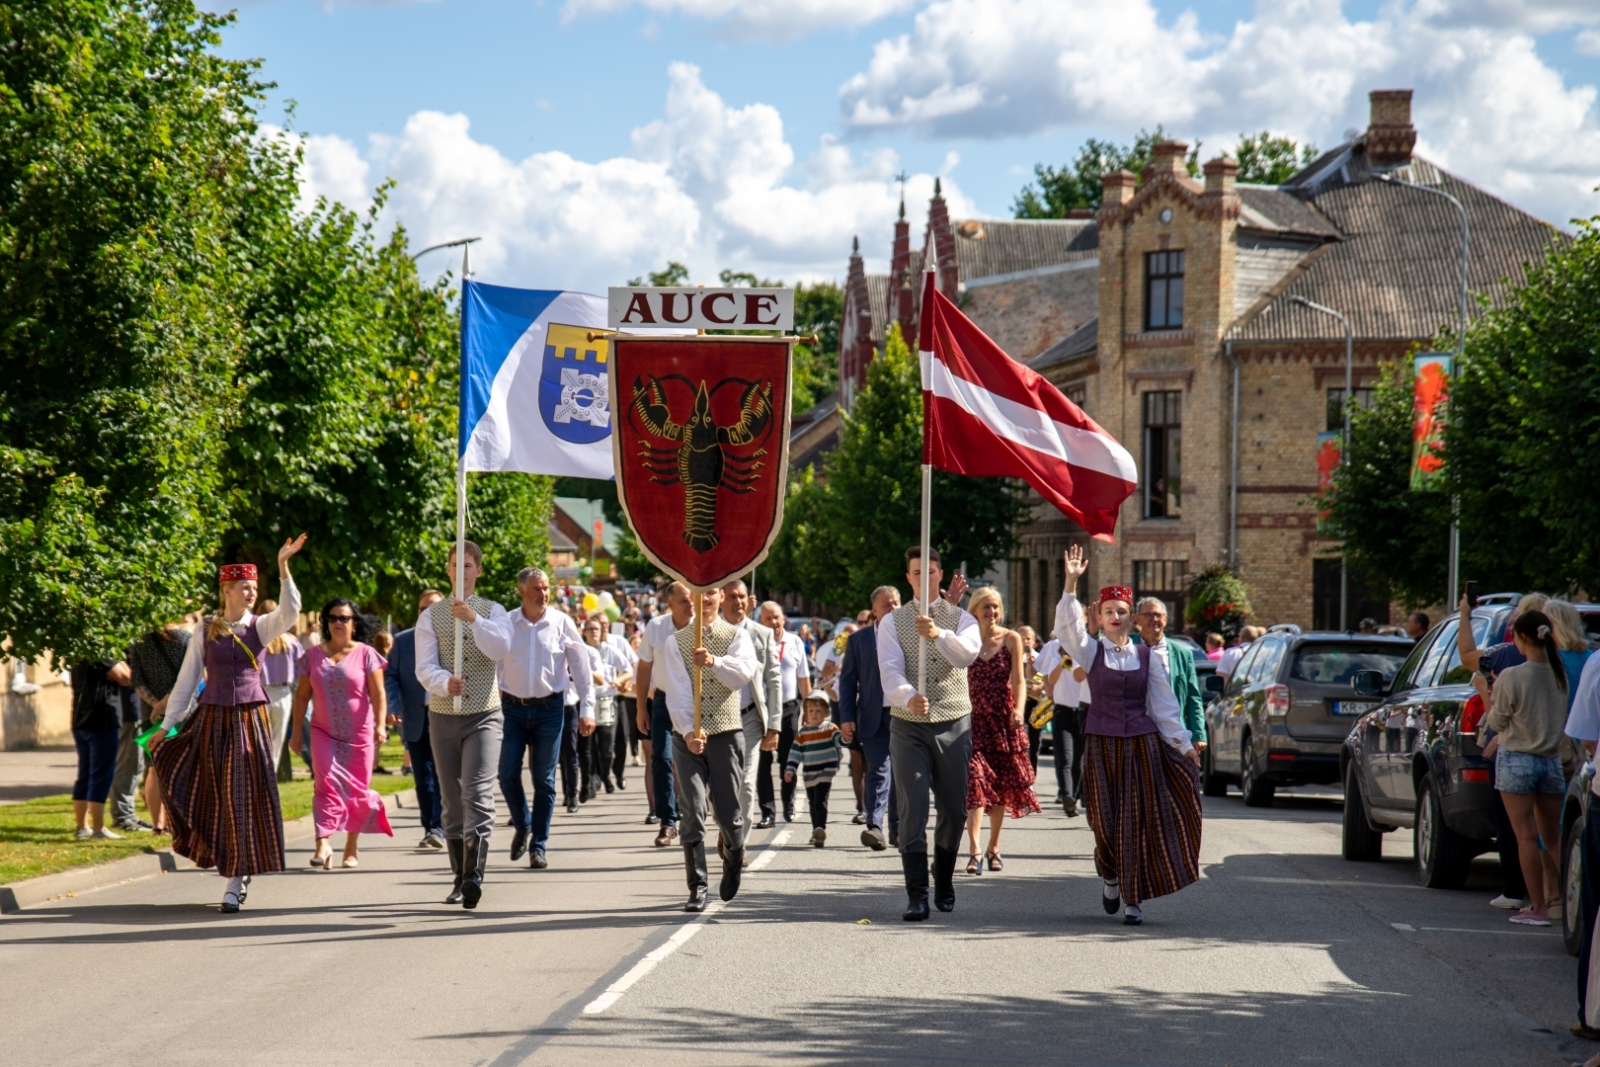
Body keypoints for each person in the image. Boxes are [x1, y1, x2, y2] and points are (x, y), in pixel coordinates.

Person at [150, 535, 307, 912]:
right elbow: (187, 681)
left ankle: (236, 878)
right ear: (227, 590)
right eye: (244, 587)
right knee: (211, 792)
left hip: (249, 720)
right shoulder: (205, 630)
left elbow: (291, 613)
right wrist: (167, 727)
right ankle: (227, 856)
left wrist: (284, 567)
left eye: (254, 587)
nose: (251, 593)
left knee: (239, 795)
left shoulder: (262, 627)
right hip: (212, 719)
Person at [1053, 545, 1202, 926]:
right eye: (1109, 612)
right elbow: (1066, 629)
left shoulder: (1147, 657)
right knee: (1102, 822)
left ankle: (1134, 900)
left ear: (1130, 619)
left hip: (1141, 745)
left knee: (1135, 821)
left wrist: (1184, 745)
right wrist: (1071, 582)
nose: (1115, 617)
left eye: (1121, 612)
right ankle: (1110, 874)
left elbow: (1165, 706)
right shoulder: (1089, 653)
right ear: (1099, 618)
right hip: (1102, 744)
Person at [878, 546, 979, 922]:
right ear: (908, 577)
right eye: (917, 572)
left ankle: (945, 876)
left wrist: (938, 634)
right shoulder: (892, 622)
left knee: (953, 809)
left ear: (941, 575)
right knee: (912, 808)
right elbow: (889, 669)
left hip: (954, 720)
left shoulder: (961, 618)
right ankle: (916, 893)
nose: (925, 577)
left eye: (931, 571)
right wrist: (907, 696)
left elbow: (966, 655)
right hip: (909, 725)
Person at [475, 566, 595, 871]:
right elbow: (494, 667)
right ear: (521, 591)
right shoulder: (506, 622)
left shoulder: (561, 622)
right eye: (536, 589)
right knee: (506, 774)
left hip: (550, 710)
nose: (543, 594)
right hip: (512, 709)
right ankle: (523, 823)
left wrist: (587, 709)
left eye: (546, 588)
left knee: (544, 780)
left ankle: (538, 845)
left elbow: (580, 669)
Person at [414, 539, 507, 909]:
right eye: (455, 564)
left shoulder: (493, 610)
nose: (460, 571)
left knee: (478, 793)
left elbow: (500, 648)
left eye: (467, 565)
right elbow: (424, 665)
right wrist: (442, 681)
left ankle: (474, 877)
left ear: (478, 571)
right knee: (452, 801)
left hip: (484, 713)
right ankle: (457, 876)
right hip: (443, 715)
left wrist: (474, 620)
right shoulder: (430, 616)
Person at [662, 586, 760, 912]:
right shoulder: (675, 641)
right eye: (698, 591)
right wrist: (689, 731)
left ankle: (733, 857)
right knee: (691, 810)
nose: (704, 598)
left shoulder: (736, 636)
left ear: (720, 597)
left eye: (712, 592)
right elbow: (676, 692)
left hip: (726, 733)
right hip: (688, 738)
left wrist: (715, 660)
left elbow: (743, 674)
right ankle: (698, 887)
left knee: (730, 815)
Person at [289, 599, 394, 868]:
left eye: (344, 618)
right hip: (323, 732)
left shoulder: (367, 653)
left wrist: (380, 725)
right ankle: (322, 842)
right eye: (333, 617)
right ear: (326, 622)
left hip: (359, 735)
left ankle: (351, 844)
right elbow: (302, 695)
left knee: (357, 791)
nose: (338, 622)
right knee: (324, 784)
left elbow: (378, 694)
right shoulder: (312, 655)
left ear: (353, 624)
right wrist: (295, 732)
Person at [1459, 591, 1546, 910]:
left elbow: (1468, 655)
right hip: (1554, 753)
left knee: (1513, 825)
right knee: (1549, 827)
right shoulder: (1567, 659)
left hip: (1509, 749)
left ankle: (1514, 889)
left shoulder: (1505, 658)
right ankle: (1554, 893)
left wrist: (1465, 615)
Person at [1485, 610, 1569, 927]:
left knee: (1525, 837)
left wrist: (1489, 693)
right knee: (1555, 835)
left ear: (1521, 638)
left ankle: (1537, 907)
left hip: (1517, 758)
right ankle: (1571, 901)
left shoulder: (1512, 676)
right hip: (1551, 761)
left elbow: (1497, 721)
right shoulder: (1559, 675)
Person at [962, 587, 1038, 875]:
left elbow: (1019, 680)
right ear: (975, 609)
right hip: (971, 719)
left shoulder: (1011, 638)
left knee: (1000, 788)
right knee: (975, 782)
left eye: (995, 606)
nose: (991, 611)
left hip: (1003, 721)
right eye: (986, 606)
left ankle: (994, 846)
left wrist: (1019, 710)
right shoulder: (966, 639)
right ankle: (974, 850)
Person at [721, 580, 781, 863]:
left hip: (751, 720)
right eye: (732, 596)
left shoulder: (762, 635)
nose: (738, 601)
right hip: (717, 721)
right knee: (718, 788)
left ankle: (737, 846)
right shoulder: (709, 632)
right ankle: (726, 828)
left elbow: (773, 680)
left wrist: (775, 725)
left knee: (746, 784)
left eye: (742, 596)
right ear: (722, 599)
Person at [840, 585, 901, 851]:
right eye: (887, 604)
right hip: (872, 716)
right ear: (874, 610)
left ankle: (899, 828)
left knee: (902, 775)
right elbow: (847, 681)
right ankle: (875, 827)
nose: (893, 608)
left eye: (897, 603)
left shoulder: (911, 634)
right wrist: (846, 717)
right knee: (878, 770)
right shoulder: (859, 640)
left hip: (903, 715)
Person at [385, 591, 446, 849]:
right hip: (415, 718)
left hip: (447, 717)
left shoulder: (454, 639)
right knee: (424, 778)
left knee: (446, 777)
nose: (427, 613)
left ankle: (441, 826)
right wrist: (394, 705)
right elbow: (391, 675)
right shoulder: (402, 641)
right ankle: (431, 828)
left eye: (433, 608)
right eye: (422, 609)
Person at [637, 582, 692, 847]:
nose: (690, 604)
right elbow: (644, 668)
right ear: (669, 604)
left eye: (693, 599)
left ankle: (696, 816)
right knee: (661, 757)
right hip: (663, 701)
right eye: (683, 600)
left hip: (697, 704)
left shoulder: (704, 627)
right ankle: (668, 822)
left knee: (696, 759)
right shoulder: (656, 628)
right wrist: (640, 708)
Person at [126, 621, 192, 835]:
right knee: (182, 769)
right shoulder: (186, 640)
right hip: (183, 714)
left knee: (154, 769)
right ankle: (179, 822)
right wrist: (168, 701)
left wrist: (155, 704)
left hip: (150, 716)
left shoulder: (140, 642)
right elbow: (188, 676)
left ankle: (157, 824)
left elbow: (136, 680)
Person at [759, 602, 812, 825]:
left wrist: (809, 708)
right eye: (768, 619)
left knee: (788, 760)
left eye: (777, 618)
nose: (773, 623)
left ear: (784, 619)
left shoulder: (794, 641)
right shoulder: (755, 641)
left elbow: (803, 677)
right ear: (761, 621)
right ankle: (767, 812)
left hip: (789, 708)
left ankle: (788, 803)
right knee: (762, 762)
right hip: (761, 710)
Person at [69, 660, 131, 840]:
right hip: (102, 720)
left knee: (85, 774)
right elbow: (126, 677)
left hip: (80, 719)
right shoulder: (102, 651)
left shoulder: (78, 649)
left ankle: (82, 827)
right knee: (101, 775)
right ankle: (98, 828)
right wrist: (120, 661)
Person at [1134, 598, 1207, 753]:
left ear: (1165, 619)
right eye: (1148, 615)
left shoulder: (1182, 654)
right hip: (1135, 732)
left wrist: (1198, 734)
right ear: (1137, 619)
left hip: (1173, 734)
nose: (1154, 619)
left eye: (1158, 615)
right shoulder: (1125, 646)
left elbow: (1193, 697)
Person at [1033, 636, 1087, 817]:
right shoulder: (1056, 659)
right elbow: (1052, 680)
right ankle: (1067, 796)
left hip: (1081, 712)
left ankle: (1074, 795)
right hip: (1062, 712)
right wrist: (1063, 663)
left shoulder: (1084, 659)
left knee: (1078, 760)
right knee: (1065, 757)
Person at [256, 599, 305, 784]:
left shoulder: (257, 641)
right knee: (276, 745)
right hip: (283, 693)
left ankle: (259, 783)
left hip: (260, 693)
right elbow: (302, 670)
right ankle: (269, 783)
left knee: (259, 743)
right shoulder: (290, 641)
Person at [785, 691, 843, 847]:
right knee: (812, 803)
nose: (814, 714)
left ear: (826, 712)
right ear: (806, 712)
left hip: (826, 772)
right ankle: (815, 832)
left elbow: (841, 741)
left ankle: (820, 828)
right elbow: (795, 753)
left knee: (820, 801)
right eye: (811, 711)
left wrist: (846, 737)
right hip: (809, 773)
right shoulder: (803, 733)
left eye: (818, 711)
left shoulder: (831, 728)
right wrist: (790, 770)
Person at [580, 615, 628, 796]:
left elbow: (628, 669)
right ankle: (593, 780)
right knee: (588, 746)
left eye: (596, 629)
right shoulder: (581, 650)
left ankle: (605, 775)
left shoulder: (610, 650)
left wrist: (619, 680)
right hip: (586, 701)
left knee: (607, 749)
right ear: (584, 633)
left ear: (602, 633)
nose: (593, 632)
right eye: (590, 629)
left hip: (607, 701)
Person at [102, 655, 148, 835]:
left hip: (135, 709)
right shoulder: (112, 647)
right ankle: (122, 816)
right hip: (127, 711)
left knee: (137, 765)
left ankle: (128, 814)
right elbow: (127, 677)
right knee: (128, 764)